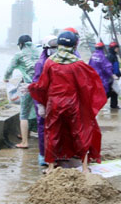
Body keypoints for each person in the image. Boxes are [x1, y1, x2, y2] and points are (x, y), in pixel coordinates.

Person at [28, 31, 107, 174]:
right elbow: (86, 85)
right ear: (74, 45)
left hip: (54, 104)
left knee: (52, 133)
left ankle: (51, 167)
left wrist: (33, 91)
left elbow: (42, 85)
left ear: (59, 44)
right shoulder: (78, 64)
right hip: (73, 103)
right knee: (80, 132)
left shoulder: (49, 62)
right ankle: (84, 167)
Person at [4, 35, 39, 149]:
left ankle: (24, 142)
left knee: (24, 113)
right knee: (37, 110)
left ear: (21, 44)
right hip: (40, 86)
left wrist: (6, 78)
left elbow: (10, 69)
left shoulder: (19, 54)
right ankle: (28, 133)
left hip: (27, 87)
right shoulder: (38, 53)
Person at [32, 36, 58, 166]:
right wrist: (40, 104)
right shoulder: (41, 63)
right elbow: (36, 85)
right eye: (53, 47)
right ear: (46, 49)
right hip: (43, 100)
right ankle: (43, 155)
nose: (55, 50)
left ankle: (54, 154)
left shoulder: (55, 61)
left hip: (54, 99)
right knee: (43, 128)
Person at [106, 41, 121, 109]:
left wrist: (119, 74)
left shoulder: (113, 55)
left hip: (114, 76)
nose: (117, 49)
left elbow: (116, 66)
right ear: (113, 48)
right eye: (116, 48)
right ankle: (98, 103)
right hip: (111, 76)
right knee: (110, 91)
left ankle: (114, 105)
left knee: (114, 91)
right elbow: (110, 67)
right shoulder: (110, 56)